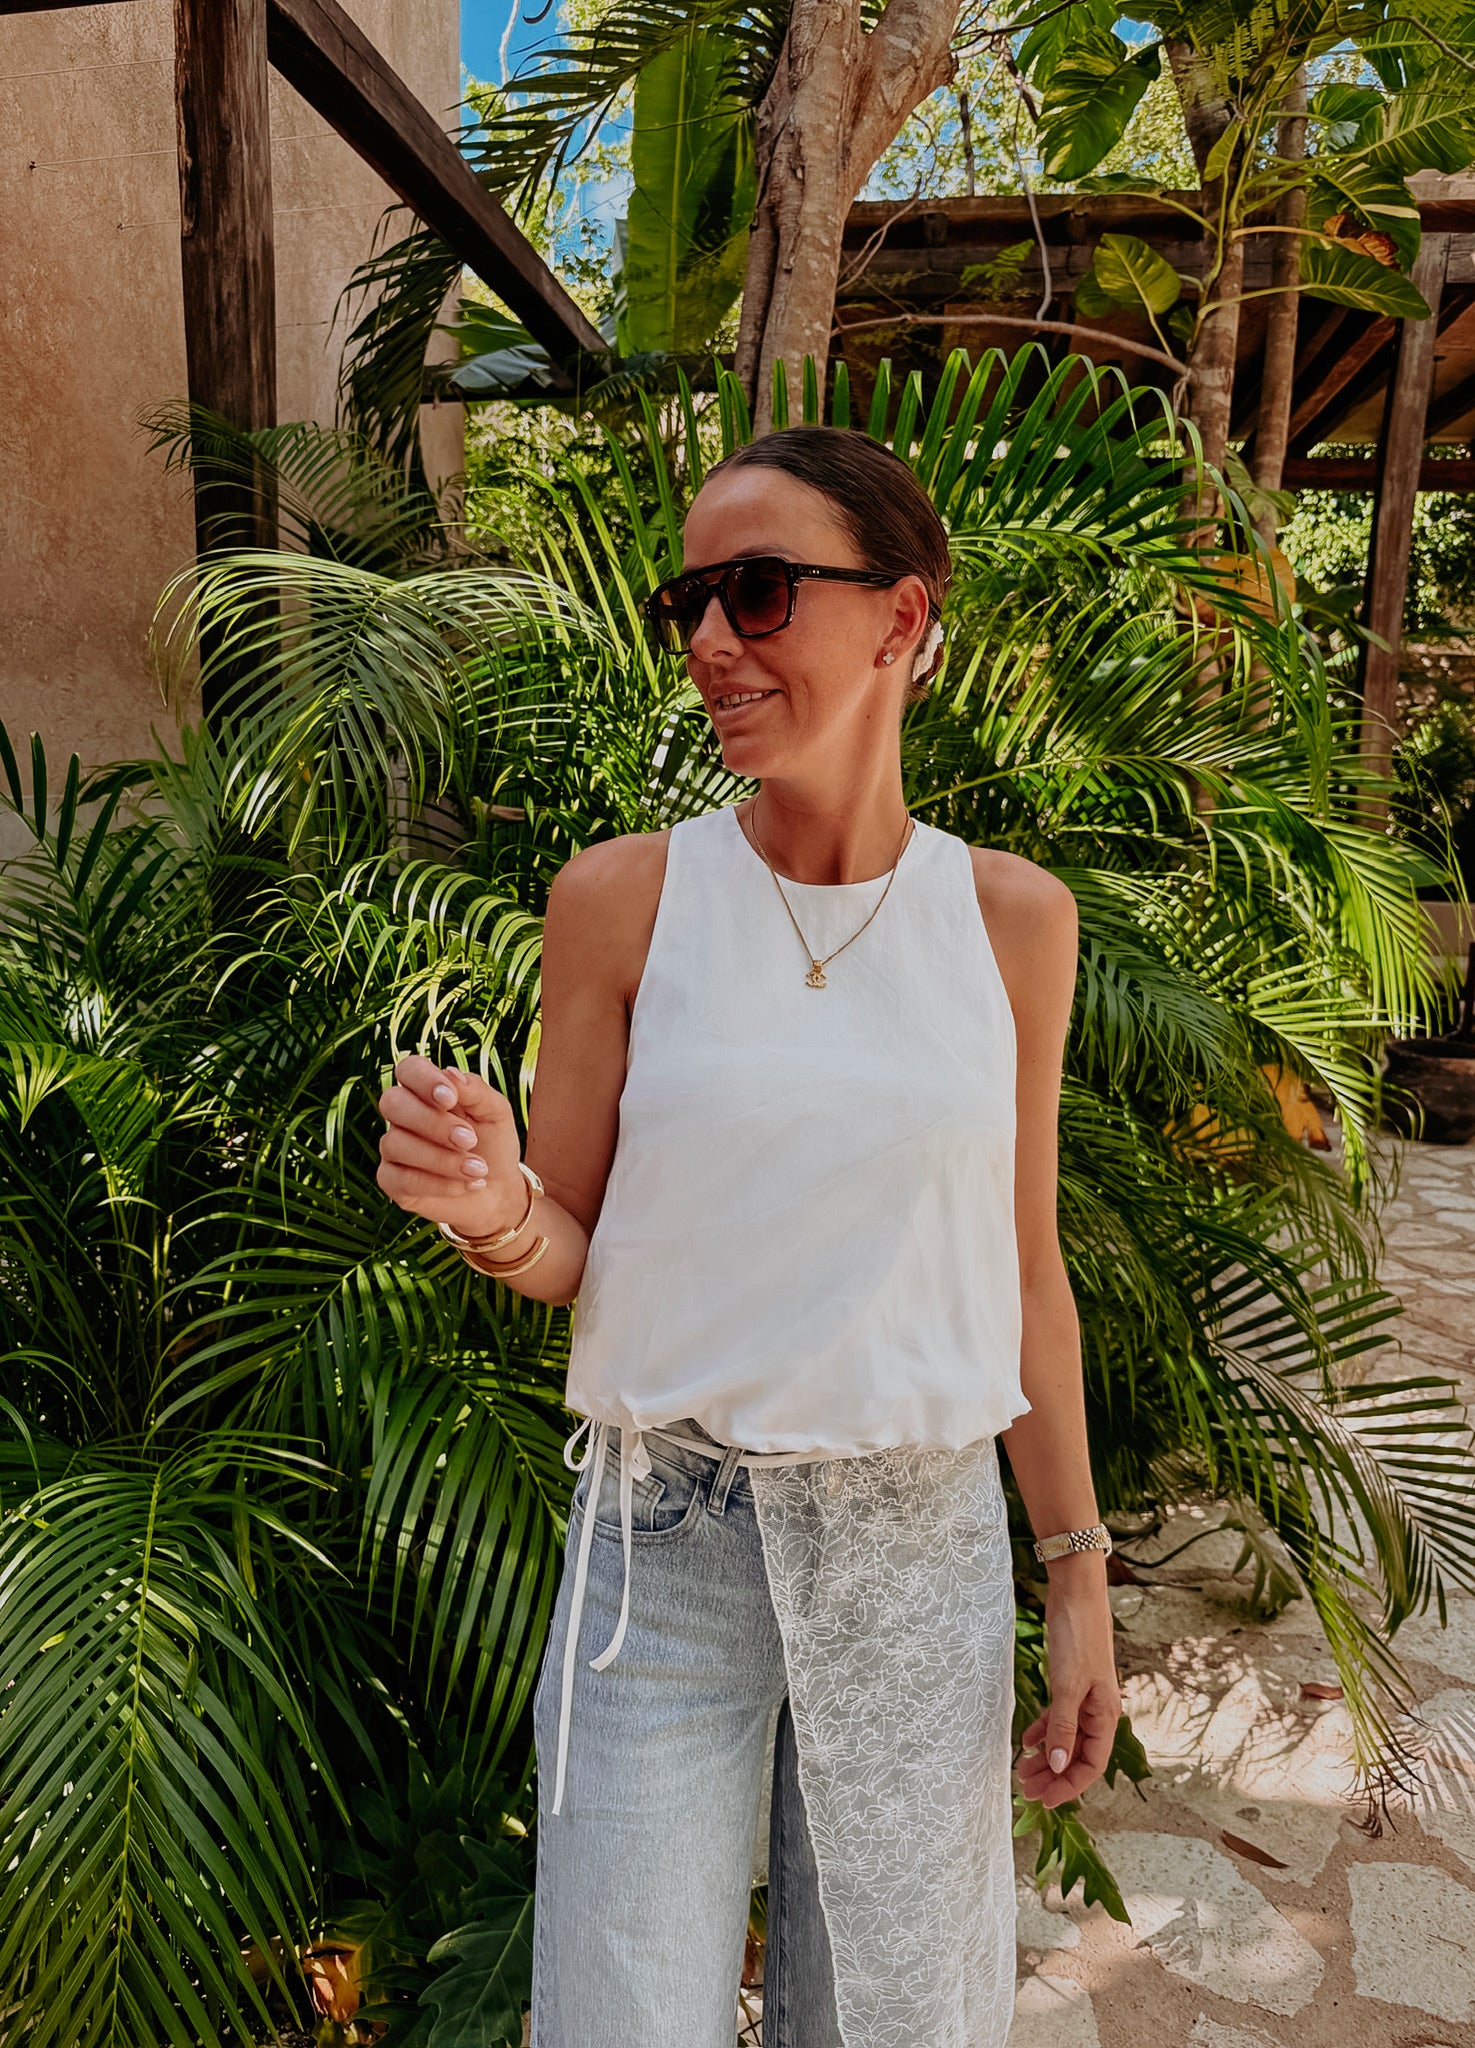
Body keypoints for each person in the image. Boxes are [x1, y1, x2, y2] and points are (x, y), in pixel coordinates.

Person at [375, 426, 1121, 2048]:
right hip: (665, 1548)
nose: (713, 640)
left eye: (761, 590)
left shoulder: (1011, 922)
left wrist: (1078, 1580)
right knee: (621, 2017)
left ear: (902, 618)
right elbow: (569, 1238)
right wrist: (492, 1208)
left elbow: (1023, 1271)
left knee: (893, 2023)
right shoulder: (624, 899)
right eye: (693, 602)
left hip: (917, 1552)